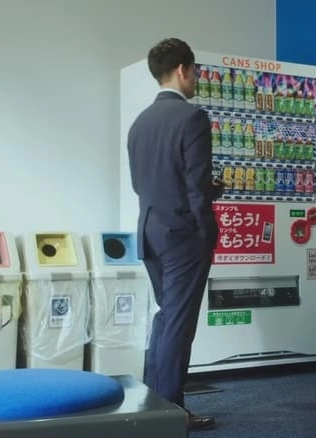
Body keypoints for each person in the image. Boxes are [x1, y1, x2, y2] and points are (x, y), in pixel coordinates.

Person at [127, 37, 223, 431]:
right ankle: (171, 410)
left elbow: (143, 183)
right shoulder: (192, 118)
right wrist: (209, 231)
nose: (197, 76)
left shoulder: (140, 122)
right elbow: (197, 186)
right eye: (195, 69)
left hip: (150, 229)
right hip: (184, 234)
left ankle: (154, 401)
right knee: (179, 323)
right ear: (182, 70)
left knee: (166, 317)